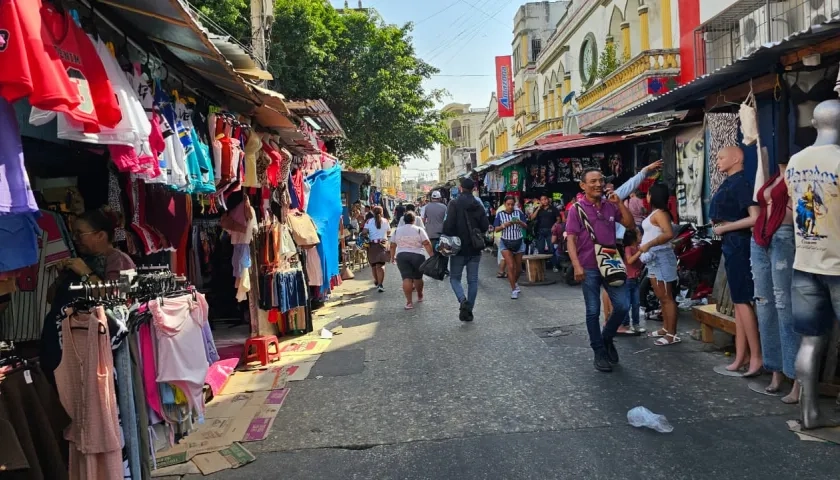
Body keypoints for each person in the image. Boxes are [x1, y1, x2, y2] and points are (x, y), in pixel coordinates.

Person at [566, 168, 636, 372]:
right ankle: (598, 350)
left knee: (622, 305)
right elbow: (570, 239)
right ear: (583, 185)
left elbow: (630, 224)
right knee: (593, 310)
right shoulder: (576, 209)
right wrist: (577, 265)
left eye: (601, 180)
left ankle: (606, 337)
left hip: (612, 264)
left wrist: (619, 203)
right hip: (588, 267)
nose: (598, 184)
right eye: (593, 181)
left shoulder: (609, 206)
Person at [710, 146, 762, 376]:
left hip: (740, 244)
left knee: (742, 301)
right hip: (731, 244)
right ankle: (742, 355)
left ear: (736, 158)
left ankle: (756, 357)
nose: (718, 161)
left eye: (722, 157)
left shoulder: (741, 183)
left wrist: (726, 228)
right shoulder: (730, 181)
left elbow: (755, 218)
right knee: (739, 303)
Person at [443, 177, 490, 322]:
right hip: (475, 248)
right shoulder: (478, 204)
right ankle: (469, 309)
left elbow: (448, 227)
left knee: (455, 278)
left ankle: (463, 301)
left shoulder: (454, 203)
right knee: (473, 281)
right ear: (473, 189)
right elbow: (485, 226)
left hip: (458, 249)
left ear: (461, 188)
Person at [639, 183, 679, 344]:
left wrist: (649, 244)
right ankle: (665, 328)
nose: (646, 197)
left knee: (667, 297)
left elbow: (668, 234)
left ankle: (672, 334)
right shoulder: (656, 213)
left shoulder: (660, 214)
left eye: (648, 194)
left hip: (661, 257)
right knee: (662, 297)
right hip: (655, 259)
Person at [57, 207, 135, 284]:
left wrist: (86, 272)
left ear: (100, 235)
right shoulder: (86, 259)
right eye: (73, 234)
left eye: (79, 234)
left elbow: (120, 294)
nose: (74, 238)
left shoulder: (121, 261)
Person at [389, 212, 434, 310]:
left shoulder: (397, 230)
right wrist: (432, 256)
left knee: (406, 278)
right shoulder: (419, 230)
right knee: (418, 277)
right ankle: (420, 295)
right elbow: (426, 243)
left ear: (404, 220)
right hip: (418, 255)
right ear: (414, 220)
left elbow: (392, 245)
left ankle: (409, 302)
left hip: (402, 255)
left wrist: (392, 257)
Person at [495, 196, 526, 299]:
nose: (510, 206)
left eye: (512, 204)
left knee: (519, 269)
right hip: (505, 242)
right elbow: (496, 229)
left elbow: (526, 226)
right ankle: (513, 289)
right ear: (504, 204)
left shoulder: (519, 213)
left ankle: (515, 282)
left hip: (518, 241)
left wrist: (519, 222)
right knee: (511, 266)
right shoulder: (500, 214)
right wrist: (505, 225)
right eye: (508, 204)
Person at [619, 228, 645, 334]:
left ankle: (636, 324)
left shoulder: (638, 247)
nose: (641, 237)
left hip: (636, 279)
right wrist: (640, 252)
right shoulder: (628, 248)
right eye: (639, 235)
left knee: (636, 303)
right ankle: (626, 324)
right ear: (633, 238)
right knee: (627, 303)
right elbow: (630, 260)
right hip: (628, 279)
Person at [363, 206, 391, 292]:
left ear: (373, 212)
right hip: (382, 244)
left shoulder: (368, 221)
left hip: (372, 245)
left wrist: (367, 233)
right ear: (382, 212)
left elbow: (364, 232)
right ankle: (380, 284)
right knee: (381, 265)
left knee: (374, 266)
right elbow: (389, 232)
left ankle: (377, 281)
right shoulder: (386, 221)